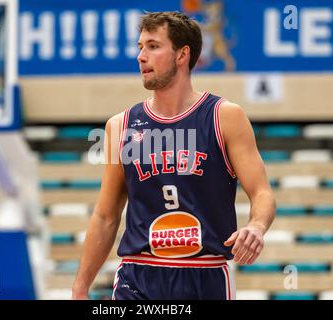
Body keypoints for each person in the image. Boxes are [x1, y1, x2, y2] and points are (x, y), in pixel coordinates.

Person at [72, 11, 276, 300]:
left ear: (182, 55)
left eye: (153, 46)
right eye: (140, 47)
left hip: (205, 274)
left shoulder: (224, 117)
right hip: (138, 274)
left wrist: (256, 226)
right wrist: (80, 287)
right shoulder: (120, 126)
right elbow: (106, 216)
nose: (141, 56)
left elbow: (262, 192)